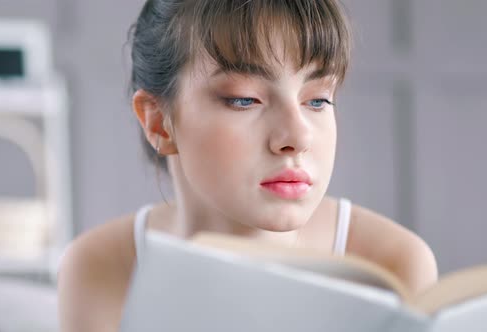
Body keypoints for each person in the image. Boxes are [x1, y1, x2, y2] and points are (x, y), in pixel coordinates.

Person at [58, 0, 438, 331]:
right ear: (158, 121)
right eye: (245, 100)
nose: (297, 137)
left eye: (318, 100)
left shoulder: (393, 263)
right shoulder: (100, 268)